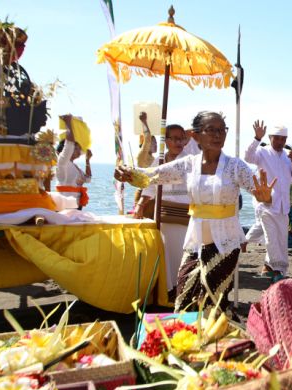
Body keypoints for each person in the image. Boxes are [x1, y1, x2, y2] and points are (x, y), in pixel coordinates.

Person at [114, 111, 276, 312]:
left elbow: (262, 194)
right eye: (211, 130)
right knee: (183, 300)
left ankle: (212, 339)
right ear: (197, 136)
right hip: (195, 243)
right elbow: (152, 175)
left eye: (221, 130)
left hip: (225, 244)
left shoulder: (236, 167)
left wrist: (265, 196)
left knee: (213, 304)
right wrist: (128, 174)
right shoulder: (188, 165)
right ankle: (188, 339)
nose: (217, 135)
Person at [133, 124, 190, 297]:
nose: (179, 142)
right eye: (175, 138)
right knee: (165, 254)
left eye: (182, 138)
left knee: (184, 255)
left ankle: (184, 290)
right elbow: (150, 187)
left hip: (185, 217)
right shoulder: (159, 161)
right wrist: (140, 206)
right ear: (167, 140)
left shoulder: (189, 161)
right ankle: (167, 292)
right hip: (163, 215)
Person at [244, 121, 292, 283]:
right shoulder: (262, 152)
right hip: (266, 203)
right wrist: (256, 138)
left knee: (281, 238)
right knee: (270, 238)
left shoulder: (287, 155)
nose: (280, 142)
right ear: (270, 138)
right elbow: (247, 156)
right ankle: (278, 269)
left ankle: (269, 266)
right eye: (277, 138)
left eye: (283, 139)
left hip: (283, 205)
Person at [56, 114, 92, 209]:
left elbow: (88, 179)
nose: (79, 150)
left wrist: (87, 161)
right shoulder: (63, 162)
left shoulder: (75, 167)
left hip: (76, 206)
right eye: (76, 148)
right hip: (65, 206)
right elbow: (69, 144)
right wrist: (68, 123)